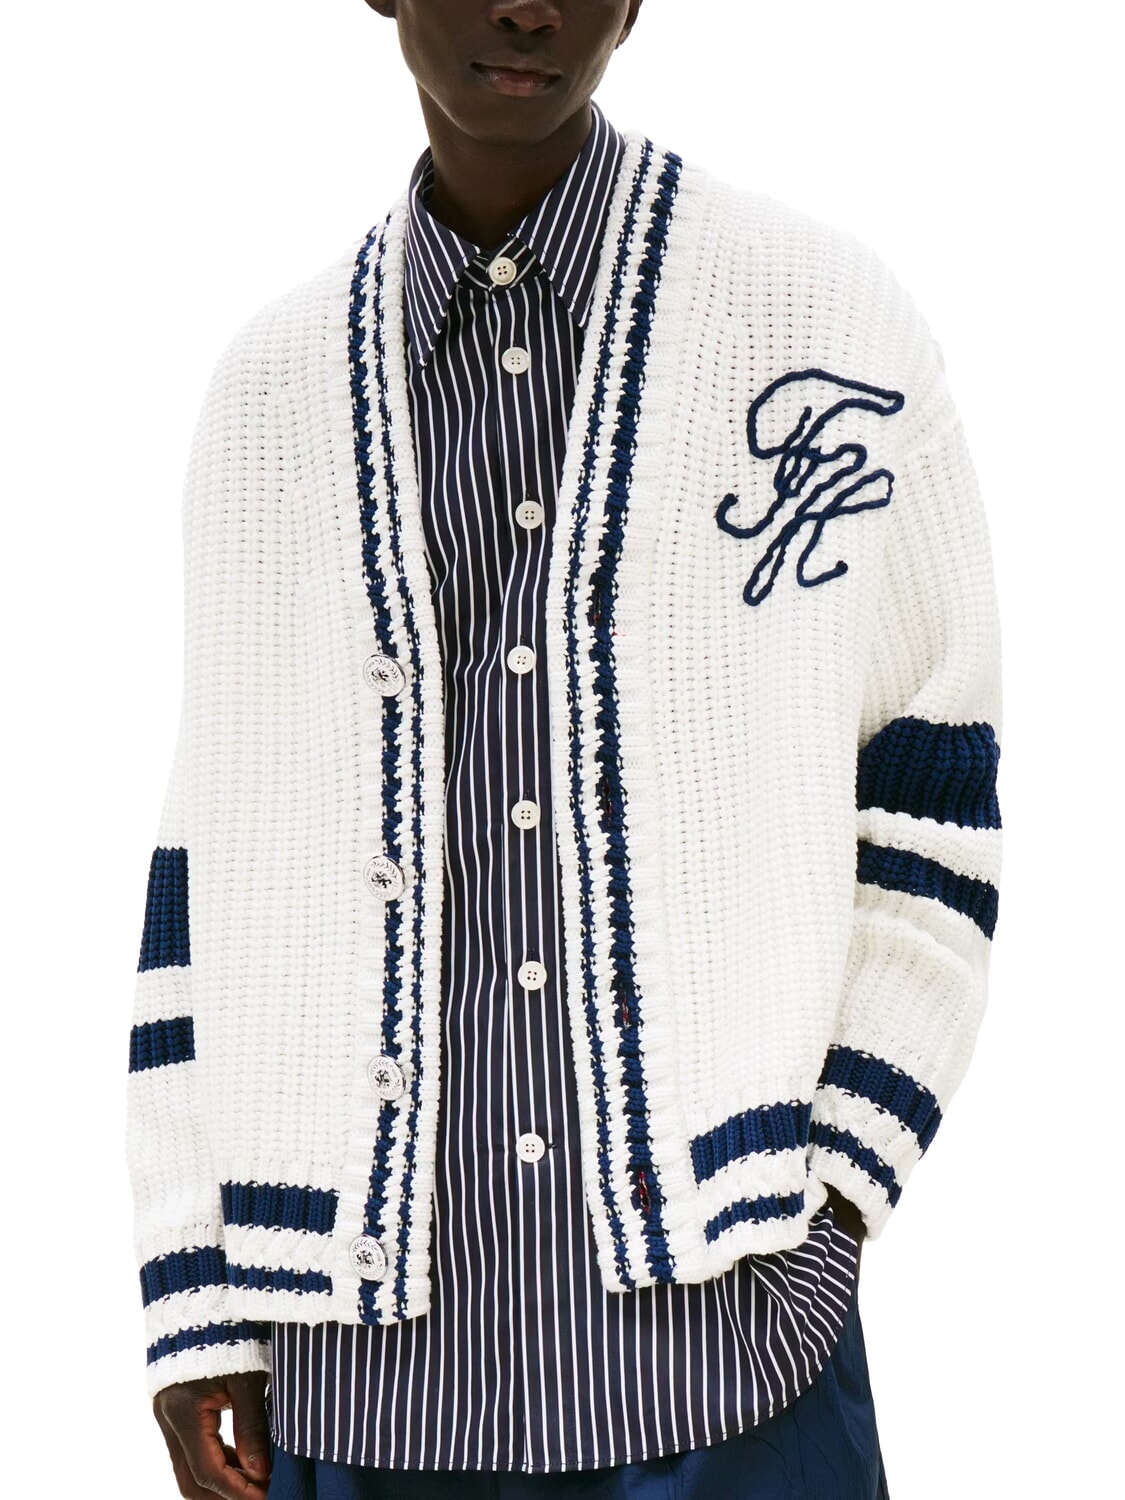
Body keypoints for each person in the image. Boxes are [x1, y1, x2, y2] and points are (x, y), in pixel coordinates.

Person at [126, 2, 1002, 1496]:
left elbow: (931, 800)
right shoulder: (268, 397)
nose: (525, 4)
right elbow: (211, 867)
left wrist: (838, 1196)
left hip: (732, 1360)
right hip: (370, 1390)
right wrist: (193, 1297)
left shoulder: (821, 329)